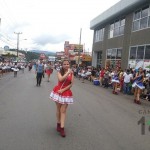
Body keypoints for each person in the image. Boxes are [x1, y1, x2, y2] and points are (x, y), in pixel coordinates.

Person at [50, 59, 74, 137]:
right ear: (62, 65)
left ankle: (62, 128)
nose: (66, 65)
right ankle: (58, 123)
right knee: (58, 109)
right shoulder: (59, 72)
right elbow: (61, 79)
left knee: (63, 111)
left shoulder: (72, 73)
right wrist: (67, 73)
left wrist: (63, 90)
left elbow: (71, 84)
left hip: (66, 92)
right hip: (58, 91)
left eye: (68, 64)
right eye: (65, 64)